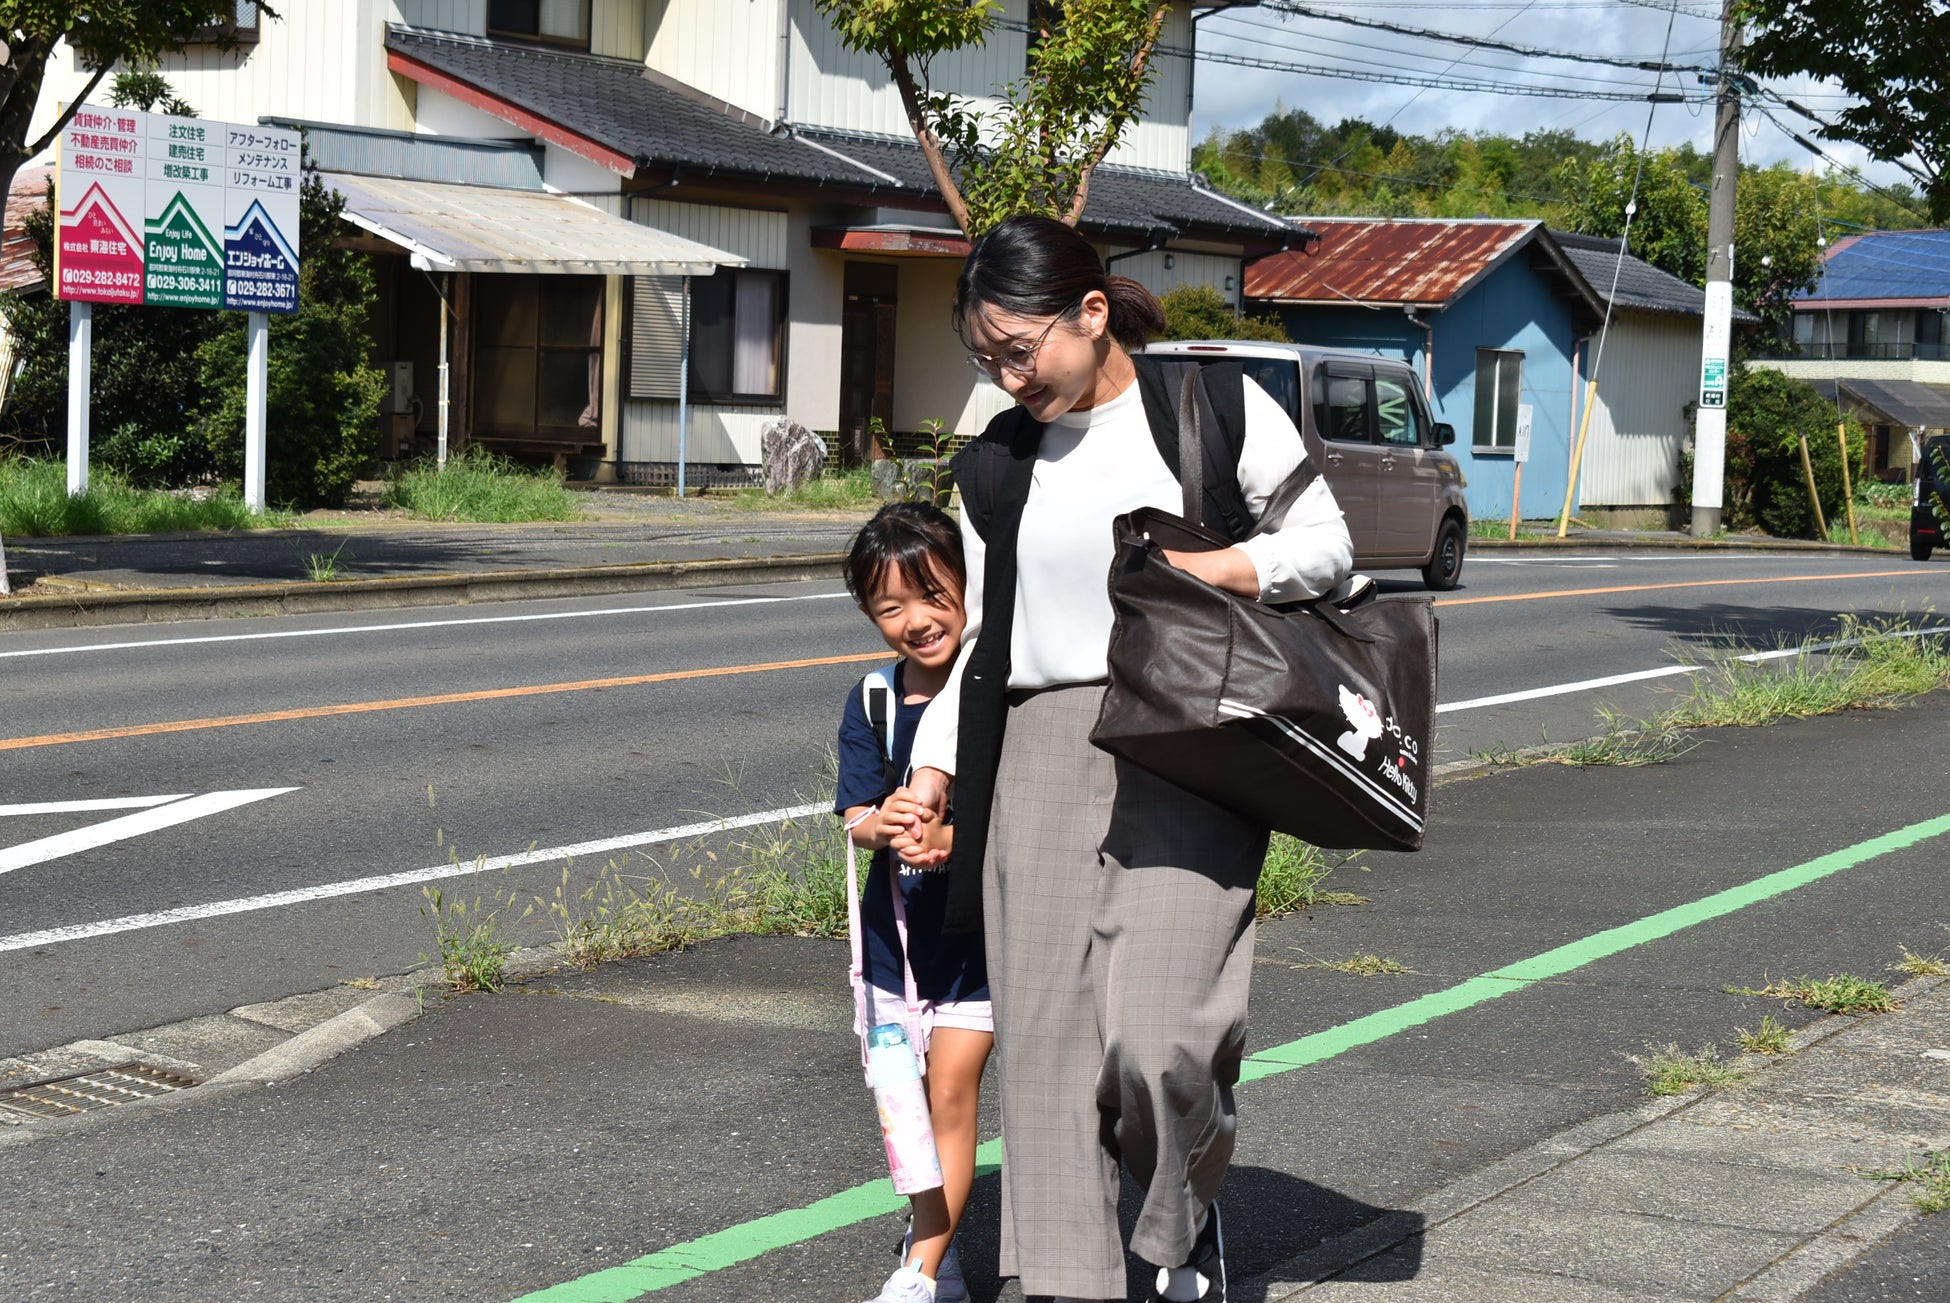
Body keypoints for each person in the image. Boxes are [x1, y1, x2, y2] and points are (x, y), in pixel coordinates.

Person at [894, 216, 1353, 1303]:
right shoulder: (997, 466)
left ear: (1092, 312)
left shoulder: (1213, 412)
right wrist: (931, 768)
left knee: (1161, 1040)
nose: (1009, 375)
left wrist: (1221, 567)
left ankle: (1179, 1224)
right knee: (1049, 1050)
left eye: (1021, 349)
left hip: (1187, 741)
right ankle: (1080, 1284)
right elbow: (978, 640)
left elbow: (1328, 545)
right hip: (1041, 753)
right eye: (987, 359)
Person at [836, 502, 995, 1303]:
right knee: (907, 1118)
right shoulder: (872, 696)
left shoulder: (1000, 687)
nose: (916, 620)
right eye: (889, 607)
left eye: (932, 594)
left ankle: (918, 1274)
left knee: (951, 1097)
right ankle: (941, 1252)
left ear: (969, 582)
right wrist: (881, 823)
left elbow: (1023, 812)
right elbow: (855, 812)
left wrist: (952, 840)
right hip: (890, 952)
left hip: (978, 946)